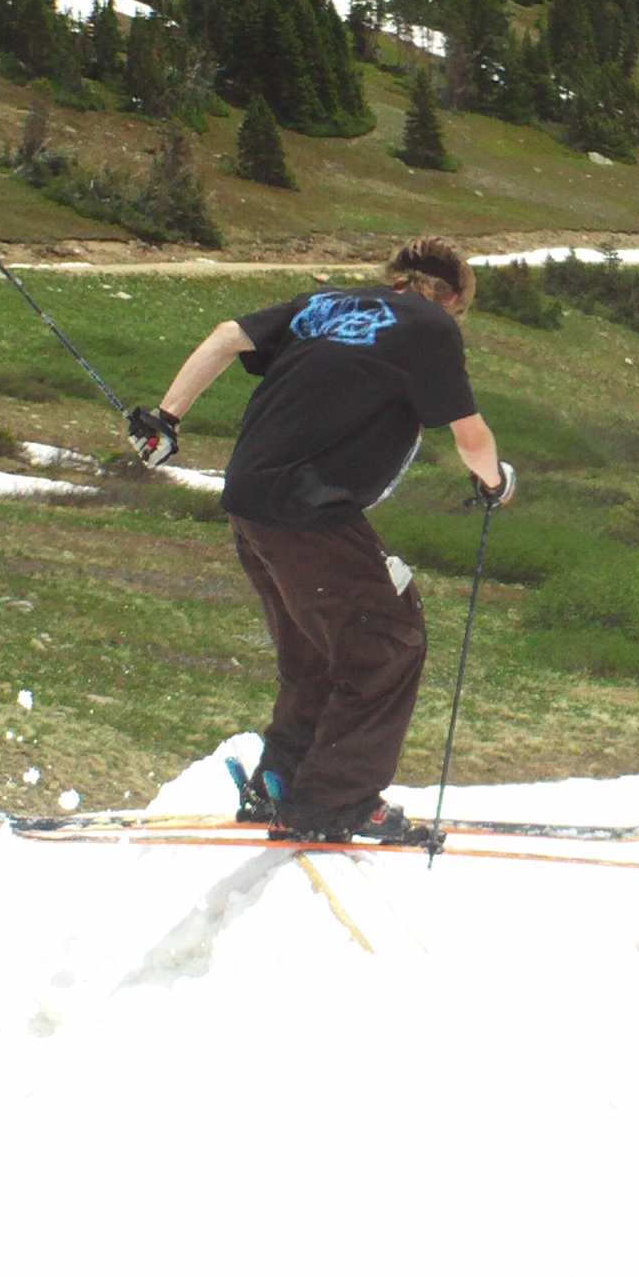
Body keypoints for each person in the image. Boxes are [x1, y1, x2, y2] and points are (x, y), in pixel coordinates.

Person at [128, 236, 513, 843]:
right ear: (455, 296)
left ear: (394, 276)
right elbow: (470, 437)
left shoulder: (324, 304)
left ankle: (280, 784)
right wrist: (496, 484)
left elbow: (229, 335)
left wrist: (166, 418)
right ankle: (333, 804)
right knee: (389, 641)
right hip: (310, 509)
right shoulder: (432, 326)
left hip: (250, 499)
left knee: (316, 650)